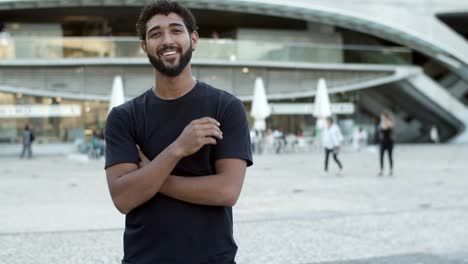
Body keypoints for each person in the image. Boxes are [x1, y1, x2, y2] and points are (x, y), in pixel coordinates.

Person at [104, 1, 253, 263]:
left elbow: (227, 191)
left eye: (176, 30)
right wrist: (177, 149)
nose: (166, 40)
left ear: (193, 39)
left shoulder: (226, 107)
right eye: (155, 34)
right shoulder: (123, 117)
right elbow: (124, 198)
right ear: (144, 46)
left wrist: (150, 176)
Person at [378, 112, 394, 176]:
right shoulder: (381, 123)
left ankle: (391, 170)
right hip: (382, 142)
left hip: (389, 142)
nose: (381, 118)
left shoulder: (389, 122)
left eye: (383, 117)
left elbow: (388, 127)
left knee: (390, 156)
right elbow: (380, 131)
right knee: (381, 156)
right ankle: (381, 170)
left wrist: (386, 122)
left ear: (385, 117)